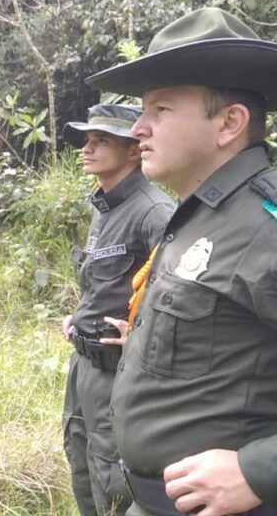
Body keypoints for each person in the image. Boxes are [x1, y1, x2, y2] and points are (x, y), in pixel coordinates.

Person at [86, 7, 277, 516]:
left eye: (160, 109)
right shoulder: (194, 217)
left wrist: (261, 470)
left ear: (229, 123)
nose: (138, 127)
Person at [60, 104, 174, 516]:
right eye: (87, 140)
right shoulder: (103, 208)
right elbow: (107, 280)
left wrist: (139, 334)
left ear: (132, 151)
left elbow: (174, 291)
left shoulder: (154, 211)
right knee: (81, 462)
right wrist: (79, 313)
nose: (87, 149)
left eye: (101, 140)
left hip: (118, 373)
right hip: (83, 366)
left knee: (115, 481)